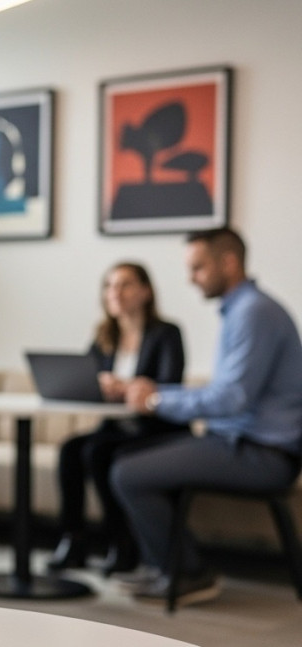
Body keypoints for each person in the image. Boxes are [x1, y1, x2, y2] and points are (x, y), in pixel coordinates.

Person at [113, 228, 302, 606]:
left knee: (127, 473)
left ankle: (186, 572)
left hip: (262, 454)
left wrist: (154, 402)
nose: (191, 278)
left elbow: (231, 398)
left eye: (198, 268)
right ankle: (169, 566)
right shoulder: (244, 310)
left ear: (229, 262)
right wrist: (158, 393)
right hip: (241, 443)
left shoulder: (254, 313)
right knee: (133, 455)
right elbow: (226, 392)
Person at [46, 262, 189, 576]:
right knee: (71, 450)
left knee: (99, 453)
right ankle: (74, 540)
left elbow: (168, 385)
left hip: (155, 430)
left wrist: (124, 387)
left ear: (145, 291)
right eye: (109, 286)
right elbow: (88, 380)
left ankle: (122, 543)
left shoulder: (166, 334)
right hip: (115, 427)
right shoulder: (104, 337)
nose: (115, 293)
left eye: (124, 284)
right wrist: (96, 386)